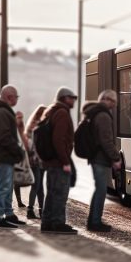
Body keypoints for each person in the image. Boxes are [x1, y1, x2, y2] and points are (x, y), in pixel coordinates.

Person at [0, 85, 28, 229]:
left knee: (7, 186)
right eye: (16, 96)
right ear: (10, 97)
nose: (17, 99)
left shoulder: (2, 111)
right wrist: (19, 151)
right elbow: (4, 137)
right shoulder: (2, 112)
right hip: (1, 155)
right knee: (4, 186)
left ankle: (9, 215)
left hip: (3, 154)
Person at [81, 90, 121, 232]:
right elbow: (106, 141)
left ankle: (94, 220)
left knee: (100, 189)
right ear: (106, 99)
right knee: (101, 190)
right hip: (100, 159)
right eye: (114, 101)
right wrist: (116, 158)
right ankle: (95, 222)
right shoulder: (103, 116)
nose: (114, 105)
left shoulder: (94, 113)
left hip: (95, 157)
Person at [40, 86, 78, 235]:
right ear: (64, 98)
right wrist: (65, 161)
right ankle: (57, 223)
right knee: (60, 194)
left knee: (51, 192)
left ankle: (47, 222)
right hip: (58, 161)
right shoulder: (62, 113)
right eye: (72, 98)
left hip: (51, 161)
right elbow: (58, 139)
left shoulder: (51, 111)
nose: (74, 100)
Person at [24, 105, 48, 220]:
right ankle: (31, 210)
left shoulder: (31, 124)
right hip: (36, 160)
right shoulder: (38, 125)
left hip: (35, 159)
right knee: (37, 185)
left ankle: (40, 210)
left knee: (38, 186)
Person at [13, 110, 35, 209]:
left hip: (22, 155)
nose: (20, 119)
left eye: (21, 117)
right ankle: (18, 201)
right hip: (15, 156)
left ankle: (19, 201)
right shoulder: (13, 128)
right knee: (15, 179)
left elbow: (25, 141)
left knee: (20, 177)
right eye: (18, 117)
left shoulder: (22, 128)